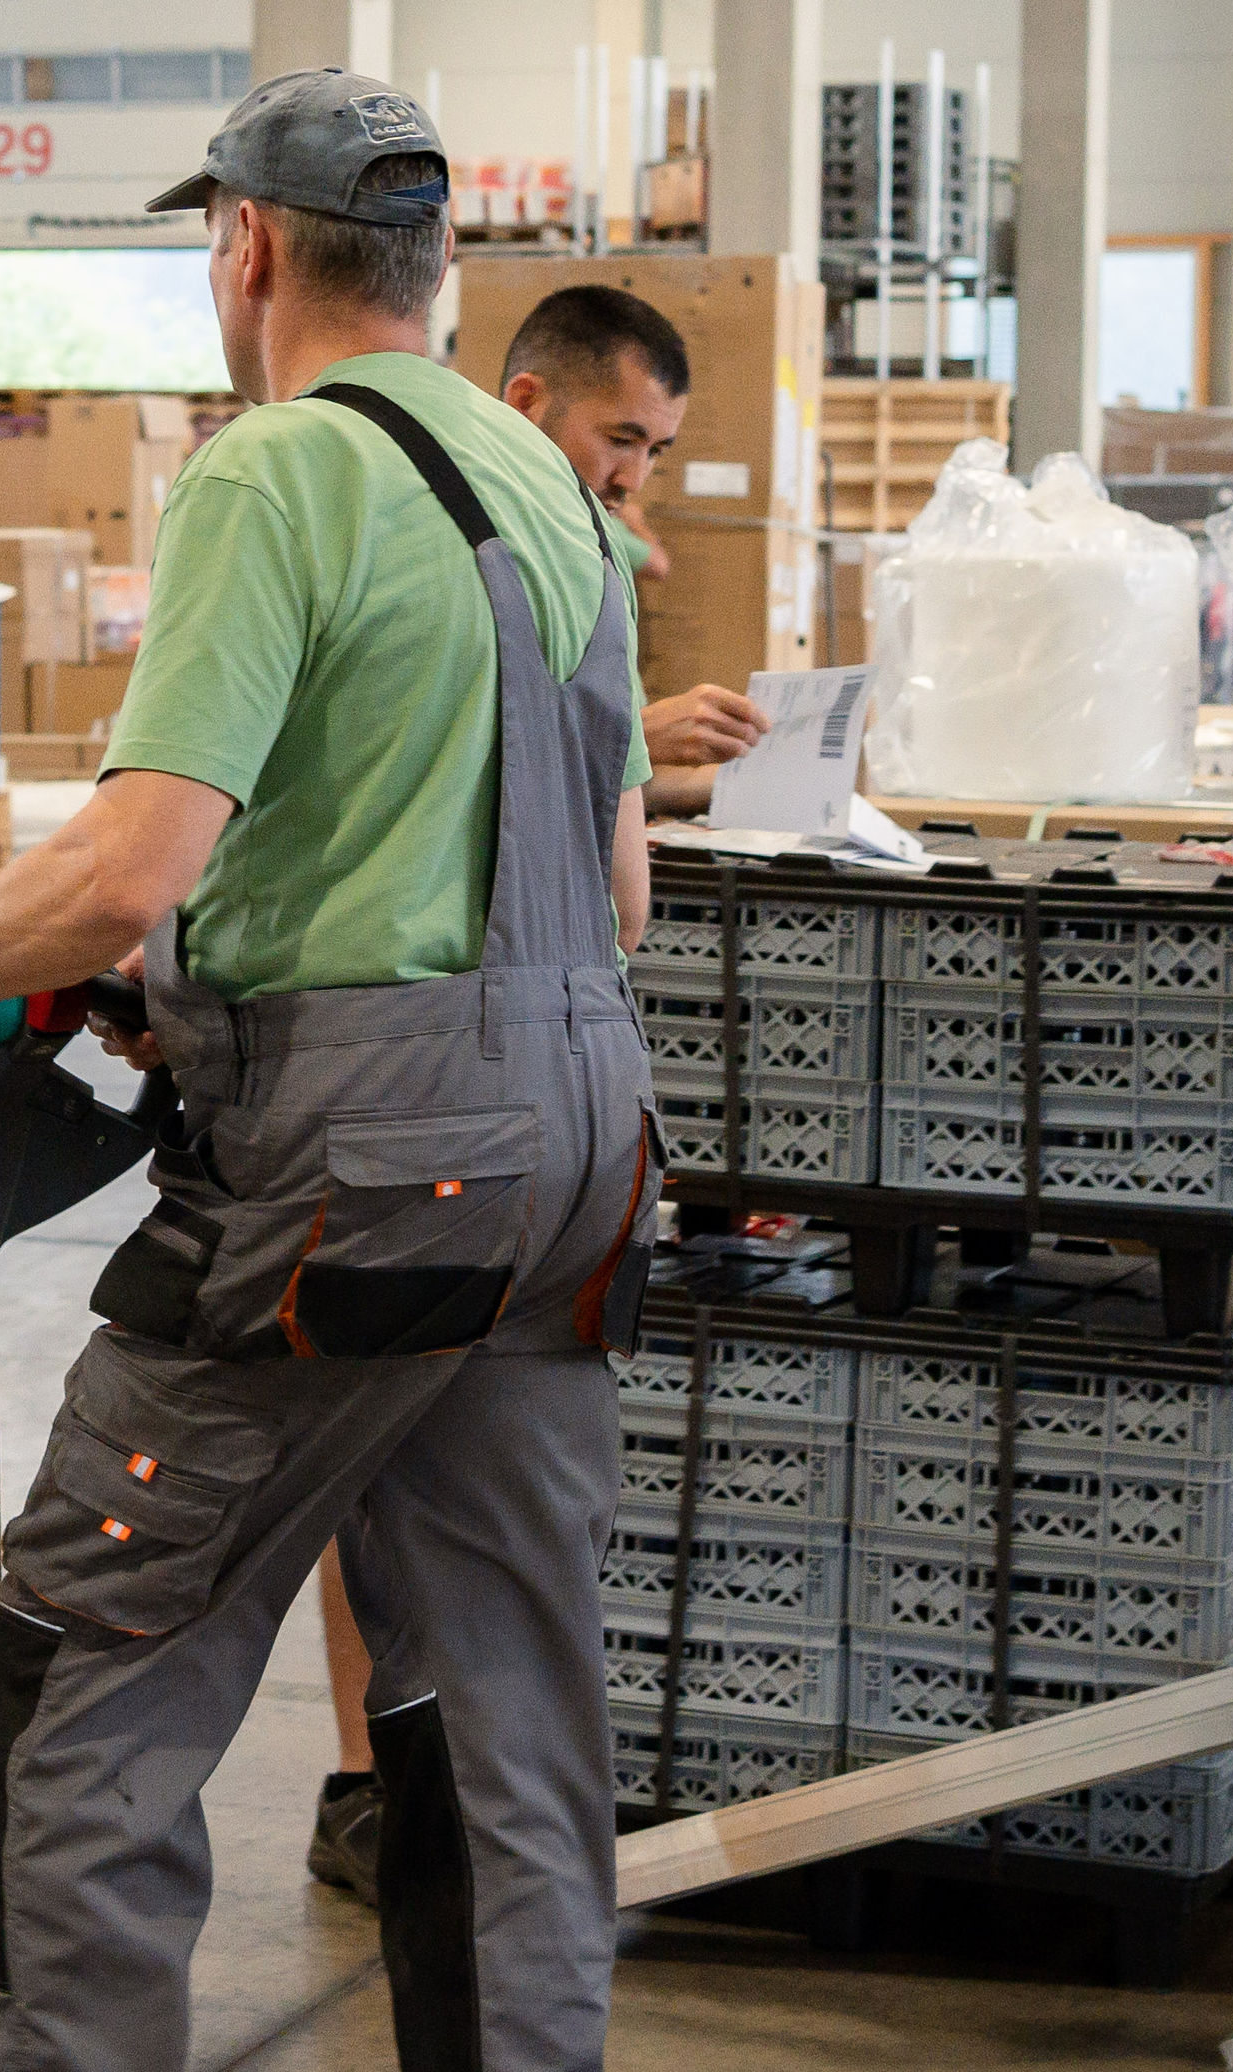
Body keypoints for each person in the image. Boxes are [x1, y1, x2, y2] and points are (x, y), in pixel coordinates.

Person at [0, 67, 657, 2072]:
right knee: (500, 1710)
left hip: (361, 1178)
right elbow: (613, 894)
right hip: (584, 1157)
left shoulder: (273, 473)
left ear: (248, 248)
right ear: (443, 267)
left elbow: (132, 869)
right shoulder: (559, 489)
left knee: (92, 1654)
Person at [296, 279, 773, 1908]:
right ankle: (385, 1786)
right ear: (528, 395)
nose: (637, 471)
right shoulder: (433, 511)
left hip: (476, 1079)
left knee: (424, 1452)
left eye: (657, 446)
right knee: (381, 1448)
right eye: (620, 434)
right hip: (440, 1072)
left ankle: (421, 1796)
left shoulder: (558, 545)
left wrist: (647, 751)